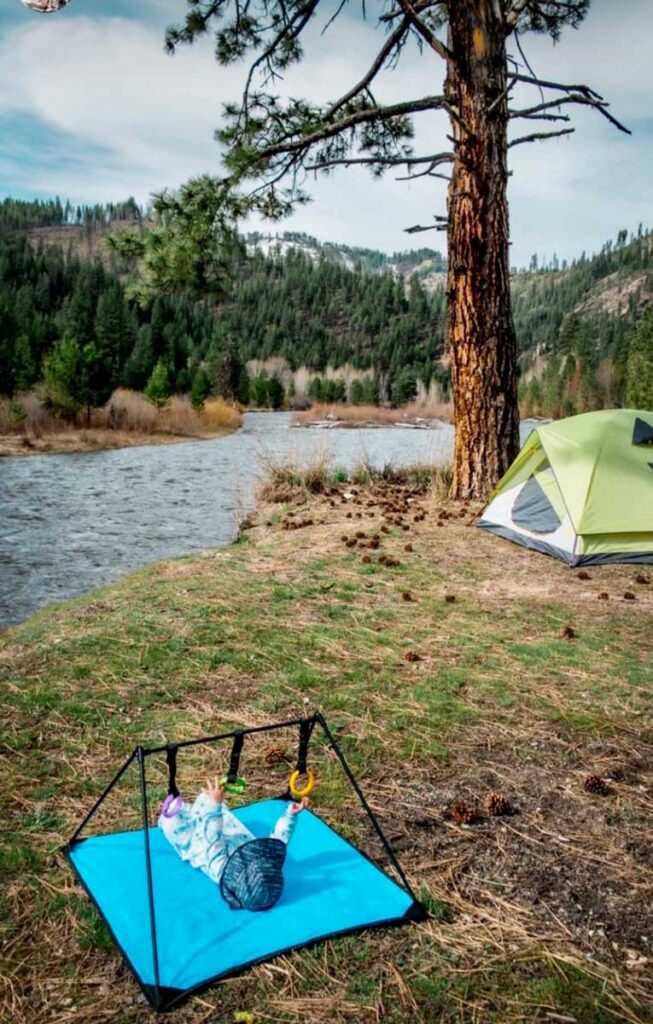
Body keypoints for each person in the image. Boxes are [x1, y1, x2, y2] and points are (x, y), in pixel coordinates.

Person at [158, 776, 310, 890]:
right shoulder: (266, 868)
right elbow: (279, 841)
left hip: (195, 842)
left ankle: (187, 812)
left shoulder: (222, 872)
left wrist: (214, 805)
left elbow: (212, 839)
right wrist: (290, 815)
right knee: (206, 797)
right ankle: (200, 808)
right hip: (228, 831)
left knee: (170, 822)